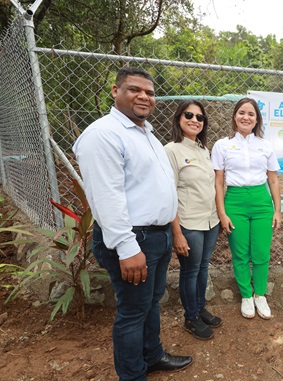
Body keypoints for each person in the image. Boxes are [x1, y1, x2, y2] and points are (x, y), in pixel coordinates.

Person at [73, 66, 192, 380]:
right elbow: (105, 197)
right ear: (115, 92)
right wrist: (127, 248)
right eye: (134, 90)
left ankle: (152, 356)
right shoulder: (103, 135)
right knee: (132, 312)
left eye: (150, 92)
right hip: (133, 240)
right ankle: (133, 374)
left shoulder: (145, 133)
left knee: (151, 303)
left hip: (158, 235)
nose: (144, 96)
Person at [211, 97, 282, 320]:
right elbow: (219, 182)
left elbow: (273, 181)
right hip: (235, 201)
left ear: (257, 120)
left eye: (251, 114)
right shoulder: (222, 145)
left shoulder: (265, 146)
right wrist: (222, 213)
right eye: (242, 112)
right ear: (235, 116)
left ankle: (260, 294)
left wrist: (277, 210)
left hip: (261, 201)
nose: (246, 117)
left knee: (261, 252)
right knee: (240, 252)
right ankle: (246, 296)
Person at [164, 101, 221, 341]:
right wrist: (176, 232)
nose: (195, 120)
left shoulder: (203, 149)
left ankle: (200, 309)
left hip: (211, 221)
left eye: (200, 117)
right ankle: (191, 317)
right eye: (189, 115)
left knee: (203, 266)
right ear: (179, 118)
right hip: (189, 223)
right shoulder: (171, 150)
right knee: (190, 271)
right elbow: (169, 193)